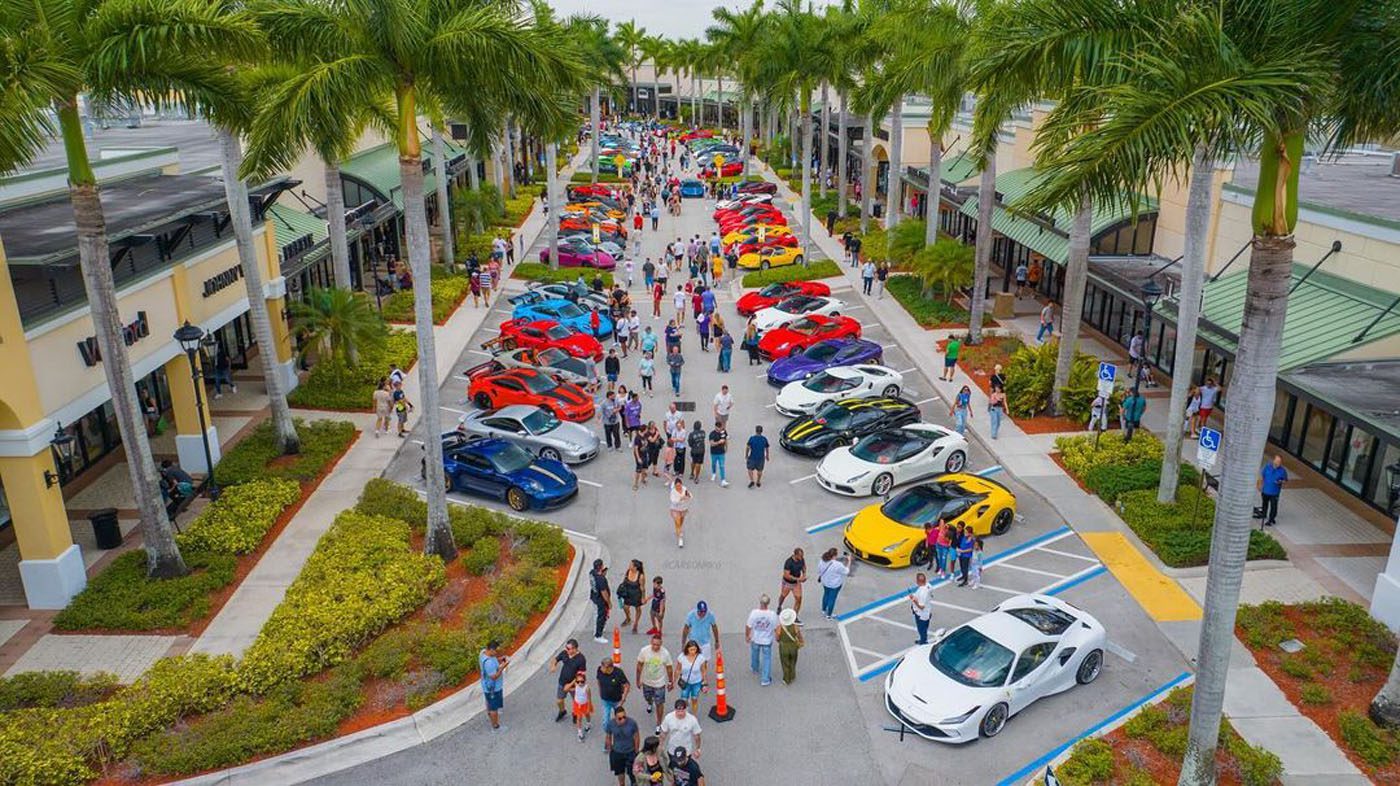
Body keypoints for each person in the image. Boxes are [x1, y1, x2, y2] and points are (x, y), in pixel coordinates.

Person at [635, 634, 674, 730]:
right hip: (647, 681)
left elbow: (669, 668)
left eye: (658, 645)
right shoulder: (644, 651)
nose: (655, 647)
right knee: (647, 697)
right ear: (651, 643)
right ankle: (650, 702)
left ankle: (659, 723)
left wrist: (670, 681)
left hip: (659, 683)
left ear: (661, 644)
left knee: (659, 703)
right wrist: (638, 679)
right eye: (654, 644)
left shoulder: (665, 653)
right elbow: (639, 665)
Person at [549, 639, 587, 723]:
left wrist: (570, 685)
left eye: (569, 648)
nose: (566, 650)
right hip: (562, 682)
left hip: (574, 685)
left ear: (575, 649)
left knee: (575, 701)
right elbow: (556, 659)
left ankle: (575, 714)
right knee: (559, 700)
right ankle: (562, 711)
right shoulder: (565, 653)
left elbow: (580, 675)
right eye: (566, 647)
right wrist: (553, 665)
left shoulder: (581, 659)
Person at [745, 594, 779, 686]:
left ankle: (755, 667)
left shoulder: (754, 613)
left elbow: (748, 626)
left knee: (754, 654)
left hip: (756, 638)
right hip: (767, 640)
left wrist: (747, 635)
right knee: (767, 659)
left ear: (760, 602)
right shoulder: (772, 614)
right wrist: (777, 636)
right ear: (768, 603)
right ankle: (765, 679)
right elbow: (777, 628)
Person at [597, 658, 631, 747]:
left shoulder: (618, 673)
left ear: (609, 668)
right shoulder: (599, 670)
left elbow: (627, 685)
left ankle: (622, 737)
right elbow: (599, 680)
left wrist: (623, 700)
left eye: (603, 668)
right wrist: (600, 691)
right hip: (605, 700)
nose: (601, 669)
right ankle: (608, 737)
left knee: (620, 720)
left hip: (617, 701)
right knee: (605, 721)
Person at [479, 639, 509, 731]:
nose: (497, 653)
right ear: (491, 650)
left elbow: (494, 659)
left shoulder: (483, 653)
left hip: (486, 686)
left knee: (489, 701)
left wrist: (500, 659)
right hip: (493, 688)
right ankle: (496, 726)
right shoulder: (489, 663)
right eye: (496, 651)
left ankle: (490, 713)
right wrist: (502, 668)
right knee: (494, 707)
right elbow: (494, 676)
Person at [606, 705, 641, 784]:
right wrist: (609, 748)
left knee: (633, 774)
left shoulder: (632, 723)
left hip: (630, 752)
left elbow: (636, 736)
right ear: (615, 718)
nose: (623, 720)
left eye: (624, 717)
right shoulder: (611, 724)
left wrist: (636, 749)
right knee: (620, 773)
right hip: (617, 753)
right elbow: (608, 735)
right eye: (620, 718)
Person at [817, 548, 852, 619]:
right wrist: (849, 561)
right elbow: (846, 571)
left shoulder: (822, 561)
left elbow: (819, 570)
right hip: (835, 585)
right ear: (835, 556)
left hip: (825, 582)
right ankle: (829, 615)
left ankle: (823, 609)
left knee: (826, 595)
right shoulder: (838, 565)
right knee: (832, 599)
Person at [675, 640, 708, 714]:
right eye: (691, 649)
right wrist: (673, 681)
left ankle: (694, 715)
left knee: (694, 699)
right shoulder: (682, 657)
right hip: (685, 682)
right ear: (687, 649)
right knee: (684, 699)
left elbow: (703, 670)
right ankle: (685, 711)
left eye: (695, 649)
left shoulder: (700, 658)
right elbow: (678, 669)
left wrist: (704, 682)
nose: (693, 651)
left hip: (696, 683)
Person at [1258, 454, 1288, 527]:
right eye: (1277, 461)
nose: (1278, 463)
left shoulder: (1283, 471)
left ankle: (1271, 520)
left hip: (1274, 492)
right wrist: (1259, 485)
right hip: (1265, 490)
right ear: (1273, 460)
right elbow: (1262, 476)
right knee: (1265, 503)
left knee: (1273, 506)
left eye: (1279, 462)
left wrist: (1280, 482)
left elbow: (1285, 480)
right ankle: (1263, 514)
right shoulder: (1267, 467)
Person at [777, 607, 804, 684]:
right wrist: (801, 641)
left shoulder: (779, 628)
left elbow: (777, 638)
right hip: (793, 646)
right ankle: (792, 675)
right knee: (793, 661)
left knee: (785, 663)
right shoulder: (795, 627)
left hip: (784, 646)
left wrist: (780, 641)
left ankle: (786, 679)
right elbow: (799, 636)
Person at [778, 547, 807, 617]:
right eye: (800, 556)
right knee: (783, 596)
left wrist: (804, 575)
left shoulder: (801, 559)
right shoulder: (789, 562)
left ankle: (795, 615)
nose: (801, 557)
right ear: (795, 555)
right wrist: (798, 579)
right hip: (787, 583)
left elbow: (804, 567)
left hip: (796, 583)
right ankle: (779, 605)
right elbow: (786, 575)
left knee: (799, 599)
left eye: (802, 556)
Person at [620, 559, 647, 634]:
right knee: (625, 607)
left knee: (637, 609)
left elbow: (642, 588)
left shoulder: (641, 576)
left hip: (636, 594)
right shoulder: (628, 571)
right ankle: (628, 619)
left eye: (631, 565)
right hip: (628, 594)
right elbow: (624, 581)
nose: (629, 565)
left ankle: (636, 624)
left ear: (635, 567)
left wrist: (643, 598)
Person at [590, 559, 612, 644]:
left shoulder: (592, 573)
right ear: (601, 566)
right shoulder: (601, 579)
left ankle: (596, 630)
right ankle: (598, 635)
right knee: (601, 617)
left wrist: (602, 574)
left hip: (594, 597)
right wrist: (609, 602)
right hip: (601, 601)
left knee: (596, 615)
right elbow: (604, 592)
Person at [909, 573, 933, 645]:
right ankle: (923, 639)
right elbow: (931, 594)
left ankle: (923, 642)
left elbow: (921, 606)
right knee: (924, 628)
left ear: (918, 581)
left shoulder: (923, 592)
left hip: (921, 615)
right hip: (927, 612)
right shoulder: (929, 586)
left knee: (922, 629)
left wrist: (913, 599)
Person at [669, 477, 692, 548]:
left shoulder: (684, 489)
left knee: (681, 522)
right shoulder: (673, 491)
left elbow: (690, 496)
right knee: (678, 522)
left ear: (681, 484)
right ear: (675, 486)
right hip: (675, 509)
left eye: (679, 485)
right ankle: (680, 539)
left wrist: (688, 496)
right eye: (677, 486)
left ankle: (678, 530)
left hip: (683, 508)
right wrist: (680, 498)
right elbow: (673, 501)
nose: (678, 487)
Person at [707, 421, 729, 487]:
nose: (719, 429)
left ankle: (723, 480)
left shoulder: (723, 432)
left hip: (721, 452)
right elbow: (712, 443)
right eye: (718, 427)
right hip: (714, 452)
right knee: (713, 464)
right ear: (715, 427)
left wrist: (726, 447)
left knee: (722, 465)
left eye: (720, 427)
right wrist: (719, 442)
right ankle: (714, 473)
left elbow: (726, 440)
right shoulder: (712, 434)